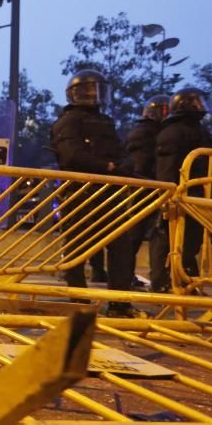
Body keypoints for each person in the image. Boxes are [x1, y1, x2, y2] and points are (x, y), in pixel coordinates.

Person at [50, 69, 139, 317]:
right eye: (87, 90)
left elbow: (119, 151)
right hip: (79, 192)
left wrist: (126, 165)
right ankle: (79, 299)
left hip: (110, 195)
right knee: (78, 248)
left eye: (96, 89)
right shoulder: (67, 121)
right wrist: (108, 167)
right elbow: (72, 155)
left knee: (121, 246)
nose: (92, 95)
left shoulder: (106, 121)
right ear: (73, 94)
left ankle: (119, 302)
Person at [153, 87, 212, 290]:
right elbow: (167, 168)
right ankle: (161, 282)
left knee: (190, 242)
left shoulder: (198, 130)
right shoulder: (172, 132)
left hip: (196, 196)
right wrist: (168, 196)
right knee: (168, 241)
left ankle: (181, 279)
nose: (200, 107)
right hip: (179, 195)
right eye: (195, 102)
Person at [126, 94, 169, 291]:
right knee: (134, 236)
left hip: (144, 189)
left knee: (138, 235)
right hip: (142, 190)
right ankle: (125, 277)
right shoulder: (145, 133)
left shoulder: (148, 131)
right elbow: (141, 163)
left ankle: (126, 276)